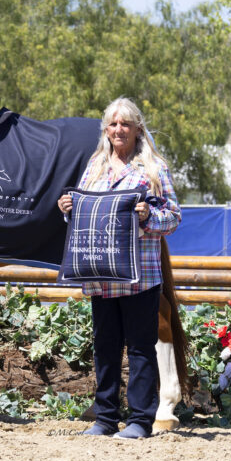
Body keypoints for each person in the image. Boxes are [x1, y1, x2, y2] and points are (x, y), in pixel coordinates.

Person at [57, 98, 181, 439]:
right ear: (105, 130)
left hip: (141, 275)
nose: (118, 130)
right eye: (112, 124)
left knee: (141, 348)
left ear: (137, 128)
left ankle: (141, 420)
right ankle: (106, 418)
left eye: (125, 124)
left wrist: (148, 216)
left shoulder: (153, 168)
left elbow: (172, 217)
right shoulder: (95, 165)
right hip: (101, 275)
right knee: (105, 347)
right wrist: (67, 207)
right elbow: (85, 211)